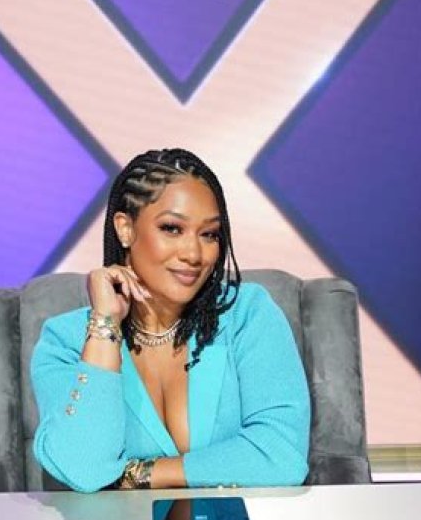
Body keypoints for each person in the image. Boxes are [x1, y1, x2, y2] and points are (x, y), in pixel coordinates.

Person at [31, 148, 310, 492]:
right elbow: (83, 469)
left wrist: (136, 475)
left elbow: (281, 455)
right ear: (125, 229)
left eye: (209, 234)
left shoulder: (247, 314)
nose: (194, 254)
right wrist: (105, 325)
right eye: (172, 228)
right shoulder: (66, 341)